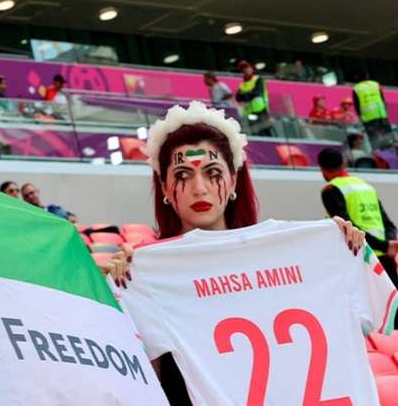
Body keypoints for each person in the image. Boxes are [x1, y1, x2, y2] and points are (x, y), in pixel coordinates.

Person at [108, 101, 365, 405]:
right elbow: (146, 384)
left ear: (233, 181)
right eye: (182, 175)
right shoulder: (147, 272)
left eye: (212, 172)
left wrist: (337, 249)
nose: (199, 188)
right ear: (164, 186)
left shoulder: (285, 255)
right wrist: (121, 292)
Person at [317, 147, 398, 283]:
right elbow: (388, 224)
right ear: (343, 163)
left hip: (360, 257)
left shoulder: (331, 189)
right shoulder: (366, 186)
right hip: (385, 257)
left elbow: (347, 227)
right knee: (393, 303)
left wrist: (385, 246)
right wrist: (390, 244)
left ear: (322, 168)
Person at [352, 70, 392, 150]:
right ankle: (390, 153)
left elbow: (357, 105)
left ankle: (379, 156)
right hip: (382, 114)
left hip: (368, 117)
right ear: (367, 76)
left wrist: (360, 117)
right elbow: (382, 99)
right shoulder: (376, 84)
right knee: (388, 137)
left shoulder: (356, 88)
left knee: (374, 139)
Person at [235, 60, 275, 137]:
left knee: (267, 132)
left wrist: (245, 95)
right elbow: (238, 97)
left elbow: (257, 92)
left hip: (261, 110)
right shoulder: (242, 84)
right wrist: (248, 93)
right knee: (256, 132)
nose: (245, 70)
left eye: (247, 67)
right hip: (250, 112)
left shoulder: (258, 79)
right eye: (243, 69)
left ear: (252, 68)